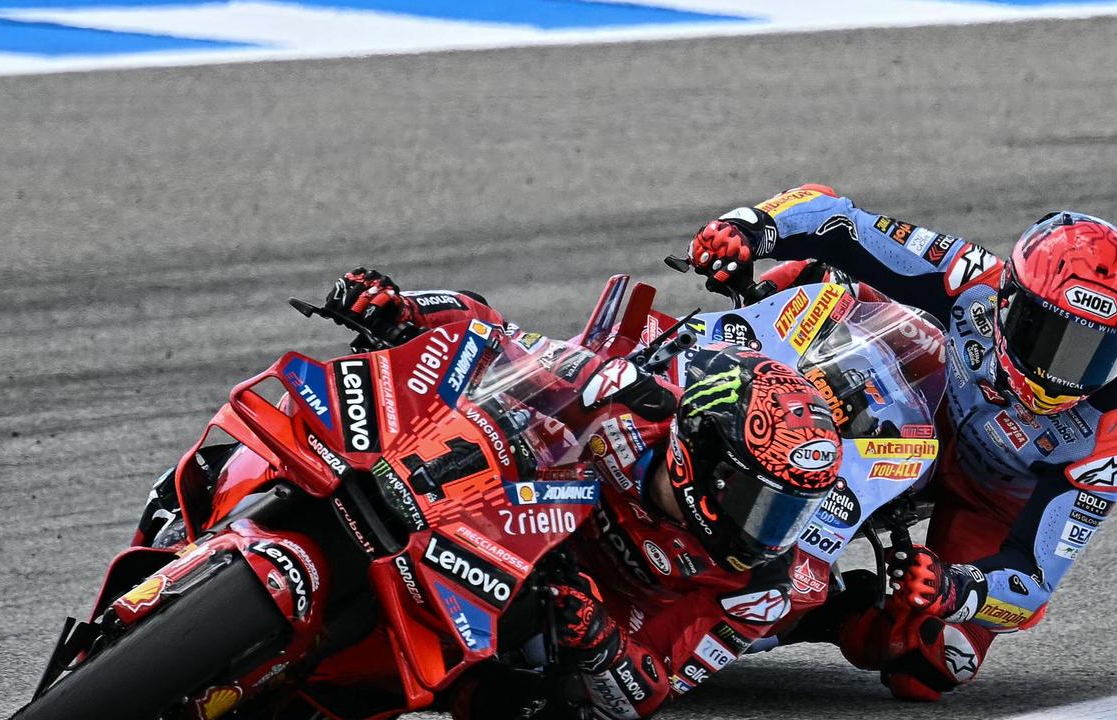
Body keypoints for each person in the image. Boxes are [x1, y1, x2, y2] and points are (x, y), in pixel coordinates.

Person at [685, 186, 1117, 701]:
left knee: (929, 661)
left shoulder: (1105, 446)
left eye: (1097, 354)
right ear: (1011, 303)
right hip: (919, 401)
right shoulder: (973, 280)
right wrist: (751, 227)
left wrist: (958, 587)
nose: (1065, 375)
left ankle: (830, 612)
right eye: (1054, 339)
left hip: (990, 502)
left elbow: (1033, 582)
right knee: (817, 278)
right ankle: (683, 362)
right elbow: (845, 223)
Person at [323, 269, 845, 719]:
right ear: (703, 453)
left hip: (537, 609)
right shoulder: (634, 399)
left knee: (519, 702)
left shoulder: (757, 590)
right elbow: (495, 336)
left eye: (790, 512)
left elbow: (652, 690)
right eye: (758, 500)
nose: (770, 530)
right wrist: (405, 310)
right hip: (481, 509)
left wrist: (599, 641)